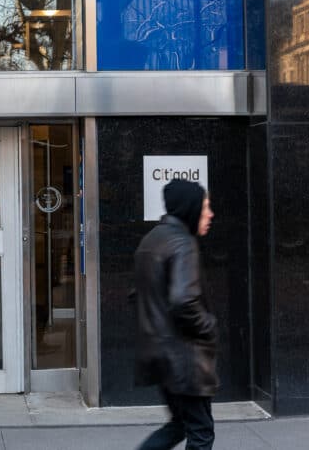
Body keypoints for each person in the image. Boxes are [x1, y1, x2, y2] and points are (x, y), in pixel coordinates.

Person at [133, 178, 218, 450]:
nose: (210, 214)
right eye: (205, 206)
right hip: (184, 358)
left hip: (160, 355)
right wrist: (210, 326)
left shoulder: (152, 240)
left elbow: (138, 295)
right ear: (190, 208)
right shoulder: (183, 244)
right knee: (201, 433)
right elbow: (183, 302)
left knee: (180, 424)